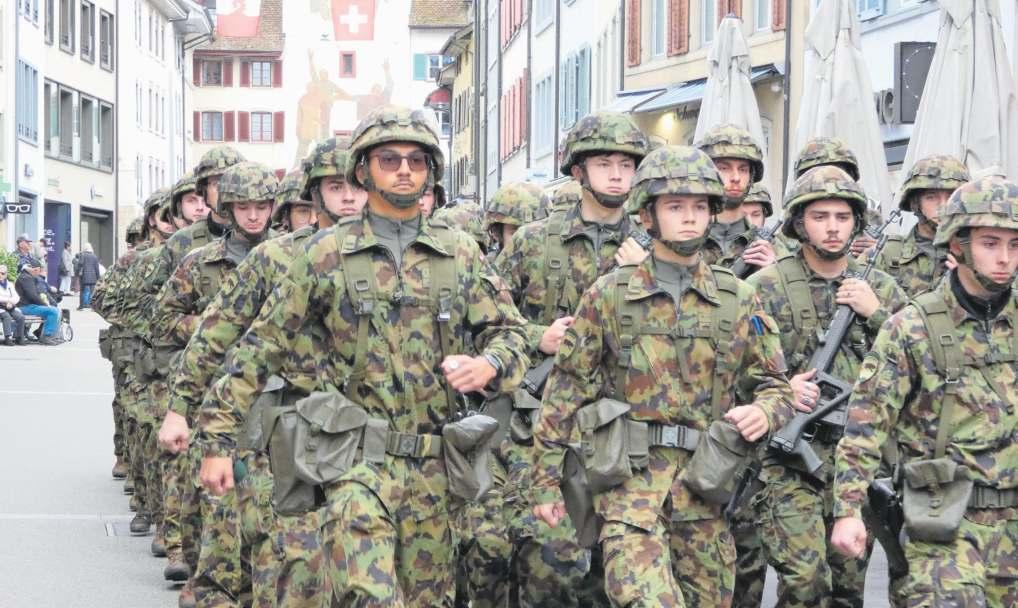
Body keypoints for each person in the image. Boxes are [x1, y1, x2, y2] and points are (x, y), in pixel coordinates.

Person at [196, 104, 529, 606]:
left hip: (434, 467)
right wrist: (217, 441)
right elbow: (261, 346)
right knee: (368, 593)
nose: (404, 170)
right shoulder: (326, 254)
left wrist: (490, 363)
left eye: (416, 160)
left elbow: (512, 333)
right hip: (353, 461)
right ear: (364, 170)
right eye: (389, 159)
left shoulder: (459, 252)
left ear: (431, 171)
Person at [530, 144, 793, 606]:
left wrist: (765, 412)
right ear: (647, 215)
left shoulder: (737, 299)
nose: (689, 217)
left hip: (707, 491)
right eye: (675, 206)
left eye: (699, 207)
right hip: (629, 491)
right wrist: (545, 482)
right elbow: (565, 392)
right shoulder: (609, 296)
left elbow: (776, 385)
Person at [831, 174, 1018, 606]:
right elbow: (865, 426)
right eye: (990, 243)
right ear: (958, 244)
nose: (1005, 258)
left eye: (1014, 245)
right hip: (941, 525)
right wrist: (847, 510)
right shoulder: (912, 327)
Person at [494, 110, 652, 608]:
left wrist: (648, 275)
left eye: (626, 165)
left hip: (627, 430)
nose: (617, 175)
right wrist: (538, 336)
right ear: (578, 170)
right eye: (604, 164)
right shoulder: (533, 242)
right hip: (545, 429)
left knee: (618, 574)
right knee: (548, 569)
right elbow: (484, 320)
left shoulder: (656, 248)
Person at [735, 166, 907, 608]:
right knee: (805, 581)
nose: (832, 227)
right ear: (799, 222)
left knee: (848, 588)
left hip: (858, 460)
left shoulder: (881, 288)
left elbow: (920, 365)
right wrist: (782, 391)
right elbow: (731, 369)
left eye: (843, 217)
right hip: (788, 457)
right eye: (820, 216)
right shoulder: (764, 287)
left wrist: (877, 313)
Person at [873, 154, 970, 298]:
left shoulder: (978, 252)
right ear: (916, 203)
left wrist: (970, 283)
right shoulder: (887, 253)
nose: (943, 205)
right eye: (931, 197)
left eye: (952, 196)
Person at [696, 124, 777, 273]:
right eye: (724, 168)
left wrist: (772, 273)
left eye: (743, 169)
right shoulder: (684, 239)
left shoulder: (770, 246)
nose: (736, 178)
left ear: (751, 176)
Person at [15, 258, 62, 345]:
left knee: (55, 310)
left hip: (29, 306)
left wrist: (45, 303)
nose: (39, 273)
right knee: (53, 311)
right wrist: (45, 305)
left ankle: (48, 335)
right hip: (24, 307)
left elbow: (36, 294)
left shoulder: (27, 277)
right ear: (35, 269)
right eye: (39, 271)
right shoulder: (26, 278)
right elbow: (33, 296)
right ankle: (46, 336)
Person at [0, 265, 26, 345]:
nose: (0, 275)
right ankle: (7, 338)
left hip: (10, 306)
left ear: (6, 274)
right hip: (1, 307)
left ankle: (19, 337)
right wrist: (7, 301)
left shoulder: (10, 284)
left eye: (2, 273)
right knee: (6, 316)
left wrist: (10, 302)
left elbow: (16, 297)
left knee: (21, 317)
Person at [77, 243, 101, 310]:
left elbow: (80, 264)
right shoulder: (94, 256)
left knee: (82, 291)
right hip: (93, 277)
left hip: (84, 276)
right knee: (92, 292)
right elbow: (97, 268)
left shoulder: (82, 255)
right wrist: (98, 278)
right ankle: (93, 306)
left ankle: (81, 306)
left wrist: (78, 272)